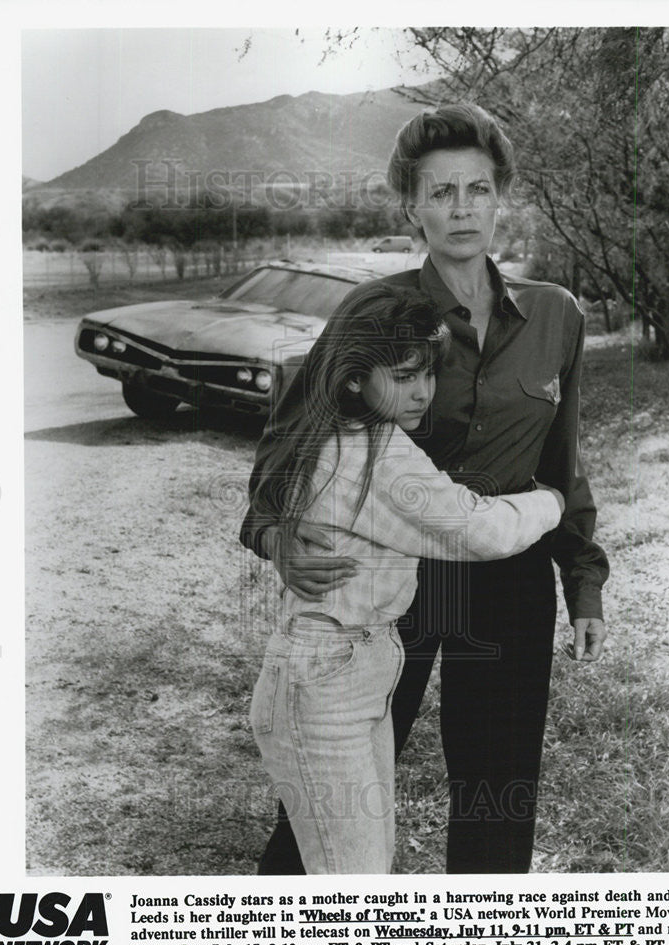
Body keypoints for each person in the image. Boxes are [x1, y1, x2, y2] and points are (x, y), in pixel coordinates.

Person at [241, 101, 609, 874]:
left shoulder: (555, 316)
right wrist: (276, 538)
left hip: (506, 577)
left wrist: (583, 581)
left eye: (477, 189)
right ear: (411, 204)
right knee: (329, 796)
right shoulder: (375, 312)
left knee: (497, 794)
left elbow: (561, 466)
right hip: (387, 584)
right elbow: (289, 442)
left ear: (500, 195)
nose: (462, 209)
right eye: (441, 192)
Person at [247, 284, 565, 874]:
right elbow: (479, 531)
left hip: (351, 671)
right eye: (401, 375)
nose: (423, 391)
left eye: (427, 373)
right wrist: (549, 502)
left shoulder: (359, 433)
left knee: (359, 868)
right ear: (352, 378)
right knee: (352, 881)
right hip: (326, 681)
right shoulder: (371, 457)